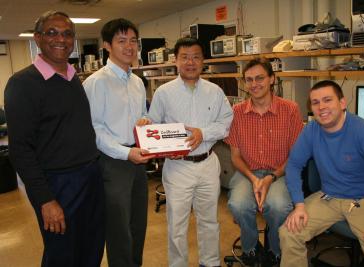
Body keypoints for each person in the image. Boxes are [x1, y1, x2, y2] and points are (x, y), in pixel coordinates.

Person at [4, 11, 105, 267]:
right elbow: (20, 149)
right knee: (62, 255)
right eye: (52, 32)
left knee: (91, 247)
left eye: (67, 33)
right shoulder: (23, 84)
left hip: (90, 178)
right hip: (58, 185)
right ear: (37, 38)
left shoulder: (73, 79)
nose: (61, 38)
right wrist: (45, 200)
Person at [279, 80, 364, 267]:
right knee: (289, 233)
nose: (322, 107)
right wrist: (299, 204)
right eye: (316, 102)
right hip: (329, 196)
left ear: (342, 103)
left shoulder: (363, 131)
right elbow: (294, 165)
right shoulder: (311, 130)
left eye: (328, 100)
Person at [147, 37, 233, 267]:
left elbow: (226, 123)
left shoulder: (215, 92)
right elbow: (153, 124)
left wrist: (202, 133)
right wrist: (148, 127)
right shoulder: (164, 92)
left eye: (196, 57)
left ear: (203, 61)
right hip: (178, 167)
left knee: (209, 221)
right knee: (177, 224)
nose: (190, 62)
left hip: (207, 164)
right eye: (184, 57)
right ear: (176, 61)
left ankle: (210, 262)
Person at [83, 18, 154, 267]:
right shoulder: (96, 83)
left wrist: (144, 121)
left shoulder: (136, 82)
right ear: (107, 46)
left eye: (133, 41)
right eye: (121, 41)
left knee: (137, 224)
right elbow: (94, 129)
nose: (129, 46)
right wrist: (126, 153)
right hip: (112, 162)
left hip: (138, 159)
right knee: (118, 229)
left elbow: (138, 117)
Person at [224, 58, 304, 266]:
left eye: (260, 78)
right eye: (249, 80)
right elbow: (235, 156)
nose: (254, 84)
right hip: (247, 172)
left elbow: (295, 156)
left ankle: (276, 251)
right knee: (239, 205)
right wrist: (253, 178)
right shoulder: (237, 113)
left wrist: (270, 178)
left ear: (272, 79)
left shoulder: (290, 110)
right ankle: (250, 249)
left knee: (278, 206)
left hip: (280, 173)